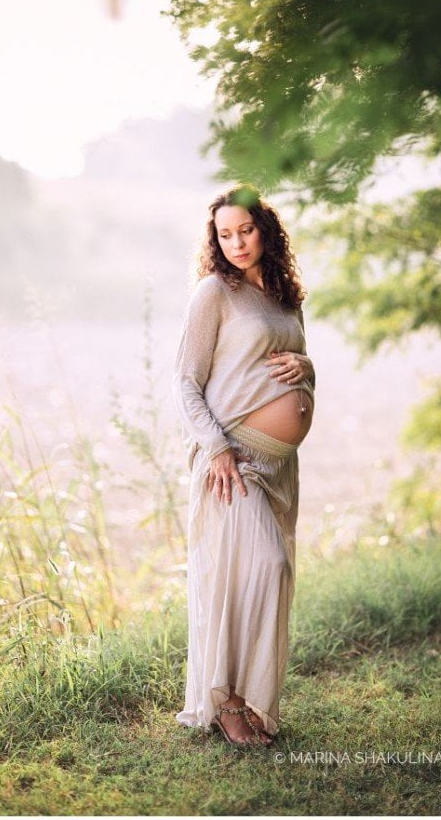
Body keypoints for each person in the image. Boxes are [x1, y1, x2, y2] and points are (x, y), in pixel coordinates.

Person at [173, 185, 315, 748]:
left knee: (269, 572)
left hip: (280, 466)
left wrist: (306, 363)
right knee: (263, 566)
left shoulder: (285, 295)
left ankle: (253, 702)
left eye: (245, 230)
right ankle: (226, 701)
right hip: (234, 460)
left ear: (266, 230)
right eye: (224, 234)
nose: (236, 243)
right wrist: (217, 448)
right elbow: (185, 379)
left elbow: (301, 369)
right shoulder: (215, 292)